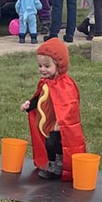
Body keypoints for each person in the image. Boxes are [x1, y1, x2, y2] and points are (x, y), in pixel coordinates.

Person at [21, 37, 86, 180]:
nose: (42, 70)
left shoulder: (65, 85)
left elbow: (69, 106)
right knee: (47, 143)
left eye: (47, 66)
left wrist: (61, 123)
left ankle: (59, 162)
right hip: (47, 124)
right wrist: (29, 105)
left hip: (58, 125)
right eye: (40, 66)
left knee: (53, 142)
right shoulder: (46, 83)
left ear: (59, 65)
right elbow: (39, 99)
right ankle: (52, 163)